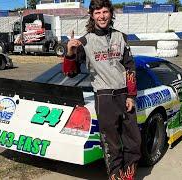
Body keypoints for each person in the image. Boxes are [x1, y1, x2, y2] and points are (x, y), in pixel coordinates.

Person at [62, 0, 141, 179]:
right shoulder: (84, 41)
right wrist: (70, 53)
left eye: (105, 12)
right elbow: (70, 73)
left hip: (124, 95)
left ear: (111, 13)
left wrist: (131, 95)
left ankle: (128, 176)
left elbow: (130, 67)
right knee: (112, 145)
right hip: (104, 97)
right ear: (92, 15)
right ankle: (115, 176)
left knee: (134, 142)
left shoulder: (121, 37)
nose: (102, 16)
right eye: (97, 13)